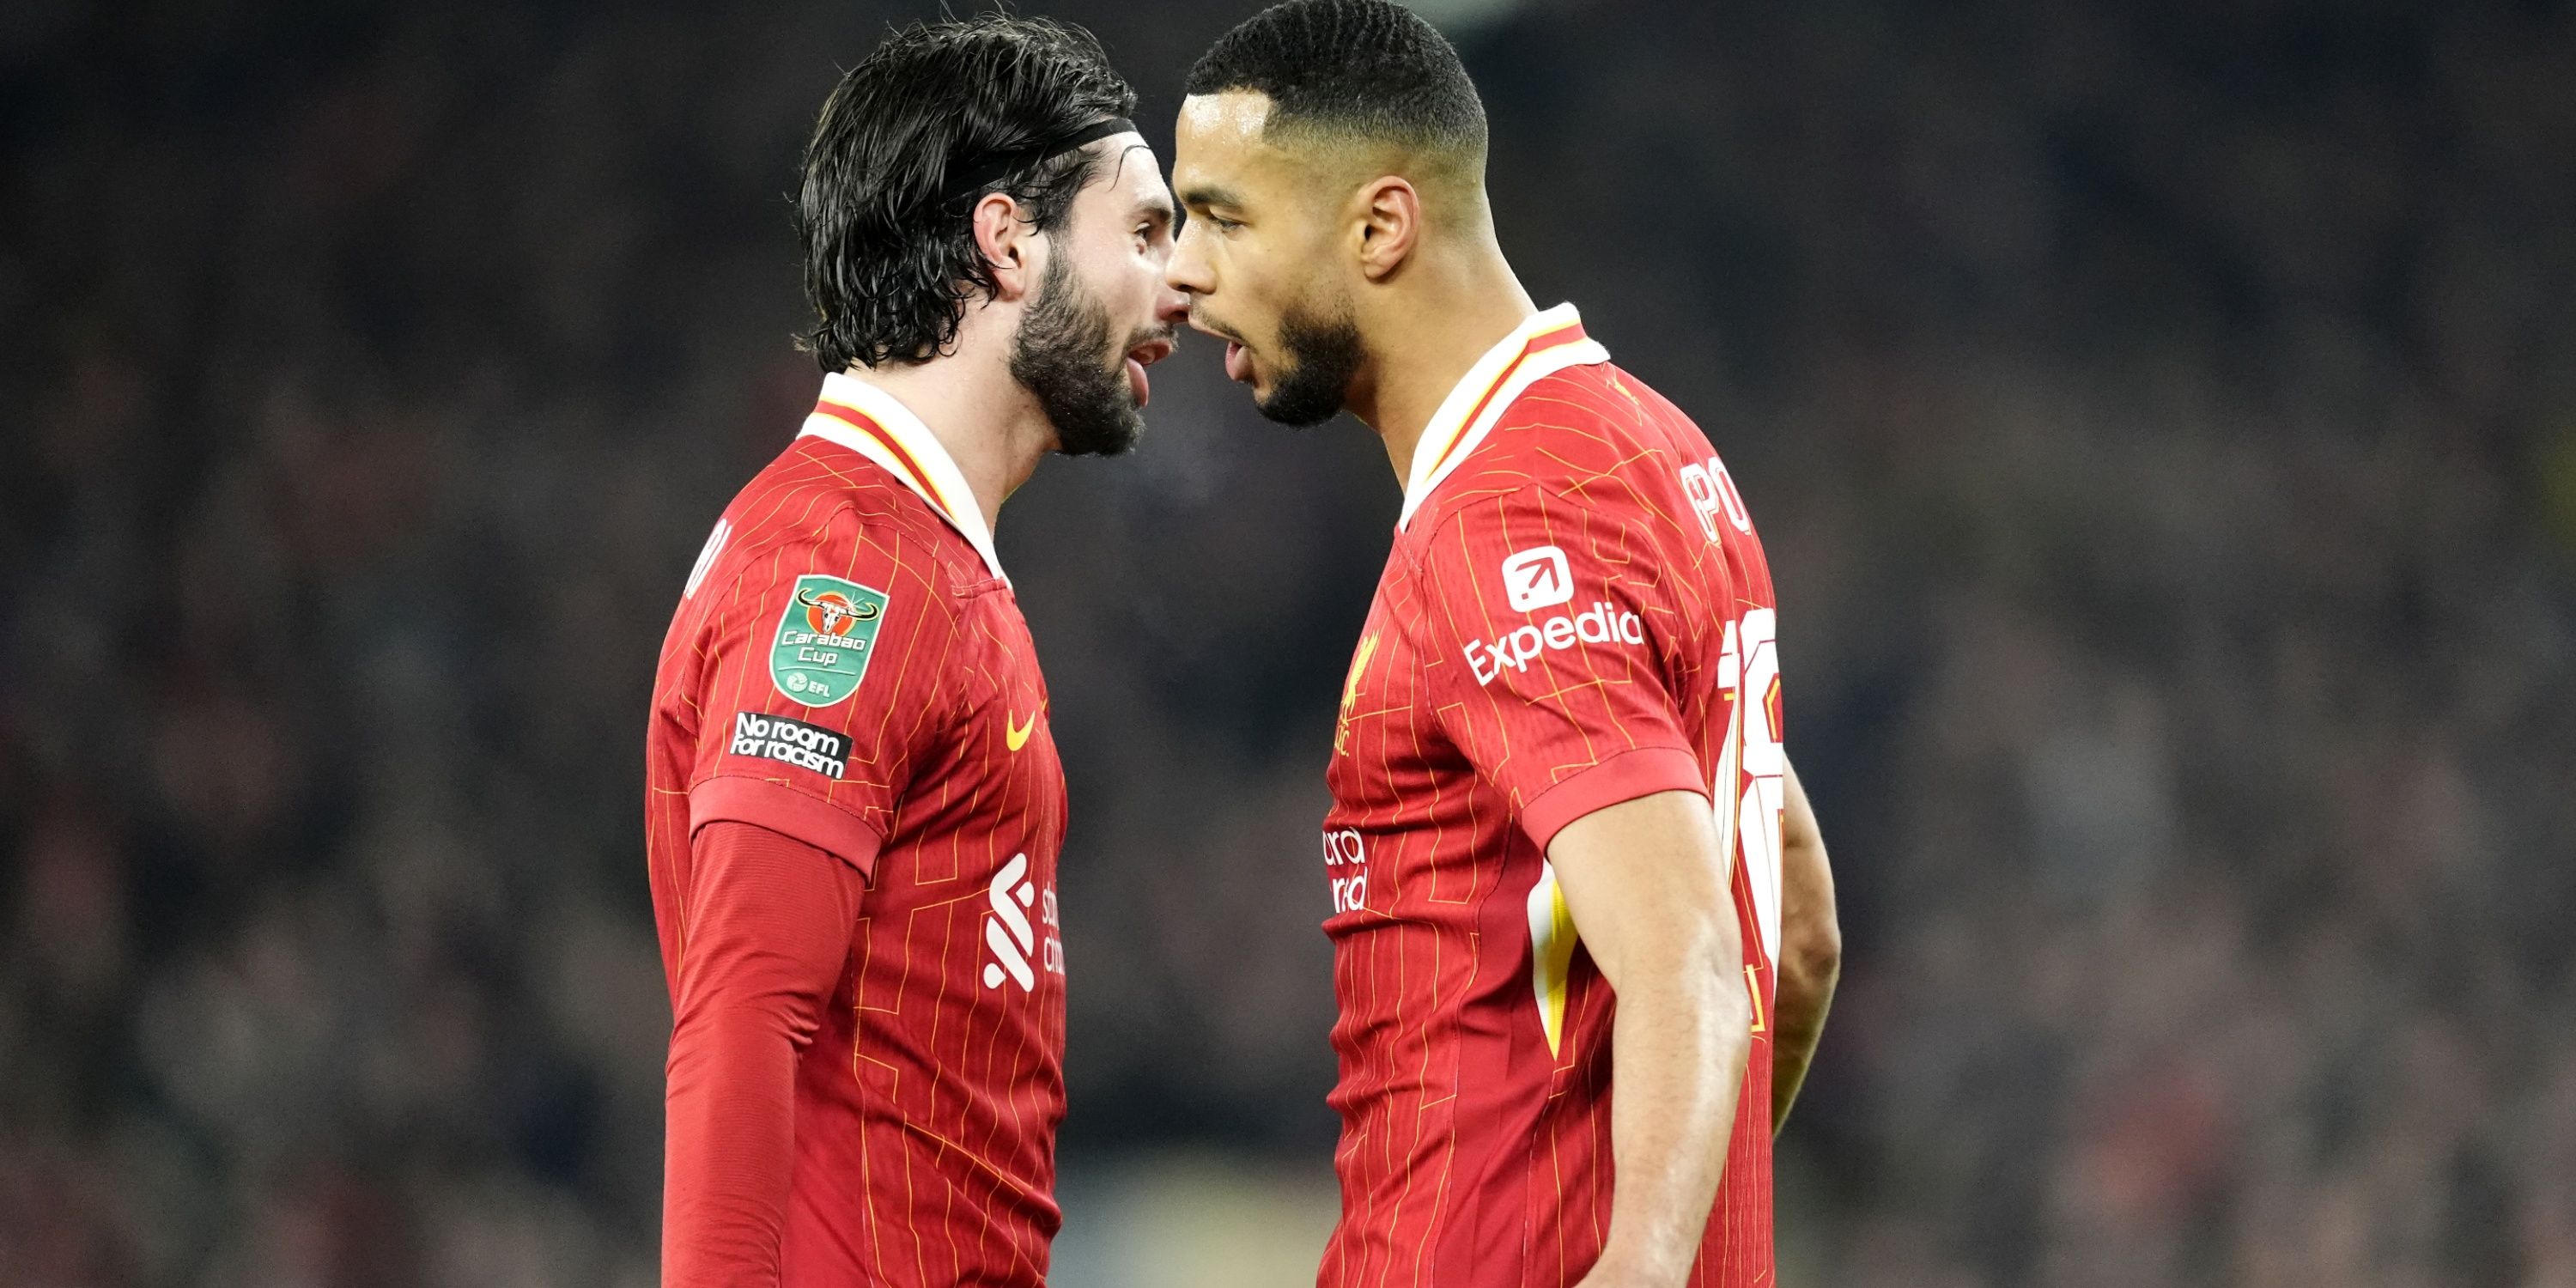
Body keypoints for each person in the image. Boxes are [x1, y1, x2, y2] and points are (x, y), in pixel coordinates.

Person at [1164, 3, 1841, 1285]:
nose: (1184, 272)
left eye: (1224, 216)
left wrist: (1641, 1266)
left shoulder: (1504, 525)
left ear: (1379, 227)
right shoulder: (1655, 447)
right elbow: (1792, 931)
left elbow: (1694, 956)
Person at [642, 15, 1183, 1286]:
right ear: (1006, 242)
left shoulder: (923, 559)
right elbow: (744, 1017)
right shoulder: (849, 566)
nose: (1184, 283)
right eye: (1148, 232)